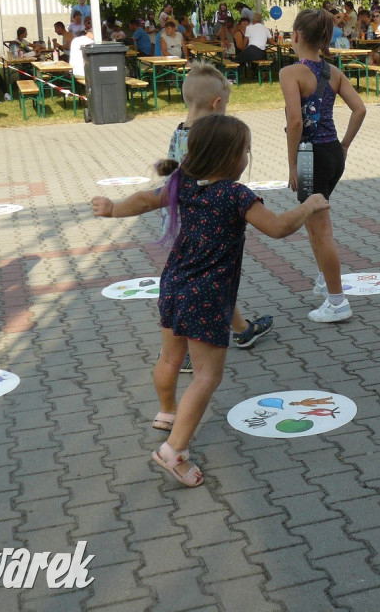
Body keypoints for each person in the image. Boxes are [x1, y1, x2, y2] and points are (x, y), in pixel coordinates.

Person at [91, 115, 327, 487]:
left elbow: (142, 199)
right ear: (231, 158)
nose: (248, 157)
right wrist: (310, 205)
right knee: (207, 375)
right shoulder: (236, 195)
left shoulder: (183, 184)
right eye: (246, 151)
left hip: (173, 283)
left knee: (170, 357)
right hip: (208, 294)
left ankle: (167, 412)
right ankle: (174, 451)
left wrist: (112, 208)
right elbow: (279, 227)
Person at [164, 62, 275, 374]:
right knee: (203, 283)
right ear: (217, 104)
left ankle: (242, 330)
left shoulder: (180, 131)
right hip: (202, 222)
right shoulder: (201, 138)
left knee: (212, 282)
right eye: (225, 105)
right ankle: (188, 349)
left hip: (184, 219)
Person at [280, 8, 366, 323]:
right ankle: (324, 279)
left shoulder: (290, 73)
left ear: (297, 36)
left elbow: (295, 121)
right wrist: (344, 145)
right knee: (316, 224)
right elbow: (359, 109)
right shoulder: (333, 72)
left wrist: (292, 165)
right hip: (331, 153)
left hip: (308, 156)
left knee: (320, 230)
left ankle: (337, 300)